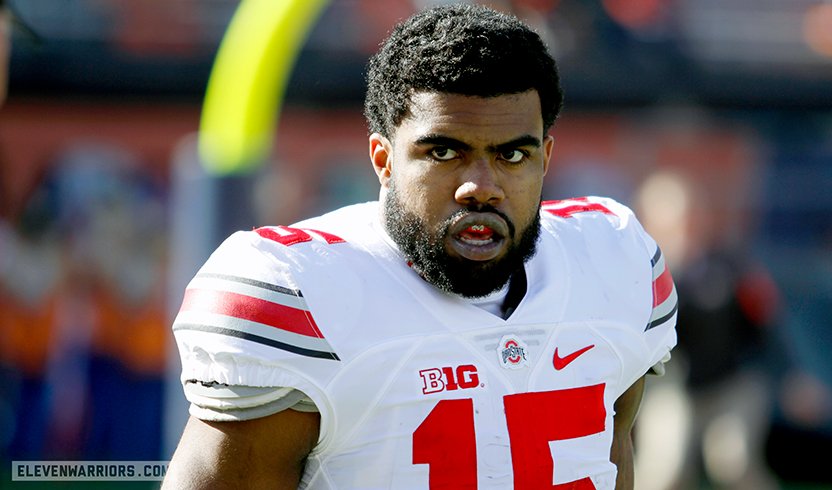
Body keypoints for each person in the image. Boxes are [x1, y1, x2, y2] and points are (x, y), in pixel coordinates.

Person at [163, 4, 677, 489]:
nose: (481, 184)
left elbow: (610, 458)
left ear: (545, 157)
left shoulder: (613, 259)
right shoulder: (300, 292)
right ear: (383, 159)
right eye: (445, 151)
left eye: (512, 155)